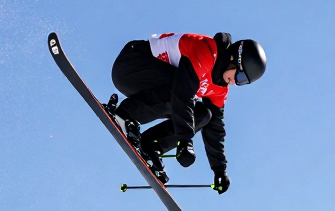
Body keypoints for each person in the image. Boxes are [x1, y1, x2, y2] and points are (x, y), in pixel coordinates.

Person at [107, 32, 266, 192]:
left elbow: (215, 128)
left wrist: (219, 170)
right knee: (182, 88)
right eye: (239, 76)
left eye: (243, 82)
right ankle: (125, 114)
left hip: (154, 87)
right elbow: (182, 94)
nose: (237, 82)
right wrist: (185, 140)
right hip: (131, 66)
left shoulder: (219, 89)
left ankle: (151, 144)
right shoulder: (206, 51)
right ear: (233, 59)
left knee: (205, 115)